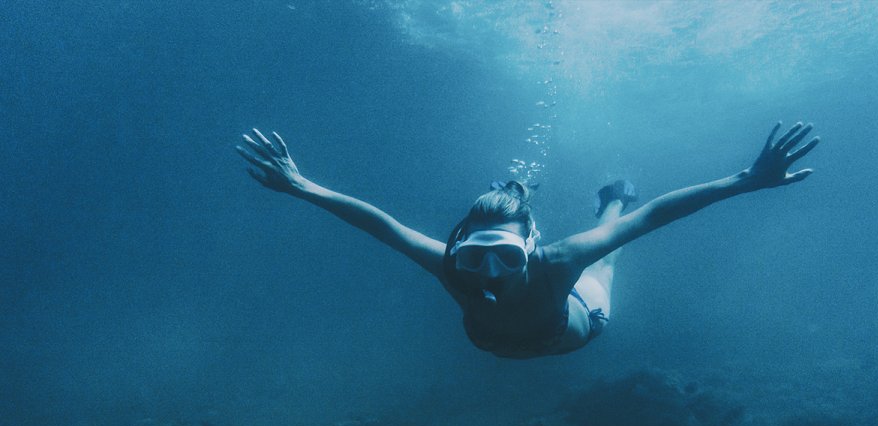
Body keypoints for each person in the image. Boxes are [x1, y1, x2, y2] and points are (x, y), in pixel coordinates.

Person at [236, 122, 819, 359]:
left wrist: (745, 181)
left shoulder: (555, 262)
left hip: (573, 323)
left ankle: (613, 195)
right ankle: (600, 204)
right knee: (600, 244)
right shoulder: (450, 266)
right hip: (501, 340)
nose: (487, 272)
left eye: (507, 256)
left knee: (607, 247)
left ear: (531, 249)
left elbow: (657, 216)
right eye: (475, 256)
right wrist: (301, 186)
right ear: (459, 245)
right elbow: (380, 225)